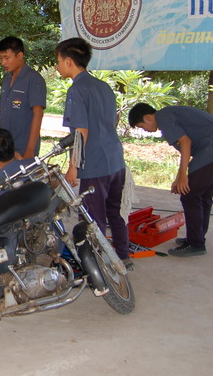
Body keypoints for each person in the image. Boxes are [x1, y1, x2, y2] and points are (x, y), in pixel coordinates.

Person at [55, 37, 130, 263]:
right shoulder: (103, 87)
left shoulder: (77, 90)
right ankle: (123, 257)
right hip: (115, 160)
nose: (57, 66)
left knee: (91, 220)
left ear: (69, 61)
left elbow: (80, 132)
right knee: (114, 212)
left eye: (58, 61)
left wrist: (73, 167)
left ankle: (100, 268)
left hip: (94, 165)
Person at [128, 103, 213, 257]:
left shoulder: (163, 117)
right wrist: (179, 177)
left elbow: (185, 142)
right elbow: (187, 147)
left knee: (190, 196)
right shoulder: (169, 114)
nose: (144, 130)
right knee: (202, 196)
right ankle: (197, 237)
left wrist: (184, 176)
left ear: (148, 118)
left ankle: (196, 244)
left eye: (141, 126)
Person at [0, 36, 46, 159]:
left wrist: (30, 150)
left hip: (23, 149)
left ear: (19, 55)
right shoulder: (6, 81)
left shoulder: (34, 79)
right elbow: (2, 113)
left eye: (7, 58)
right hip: (5, 148)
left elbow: (38, 114)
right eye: (1, 58)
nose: (3, 63)